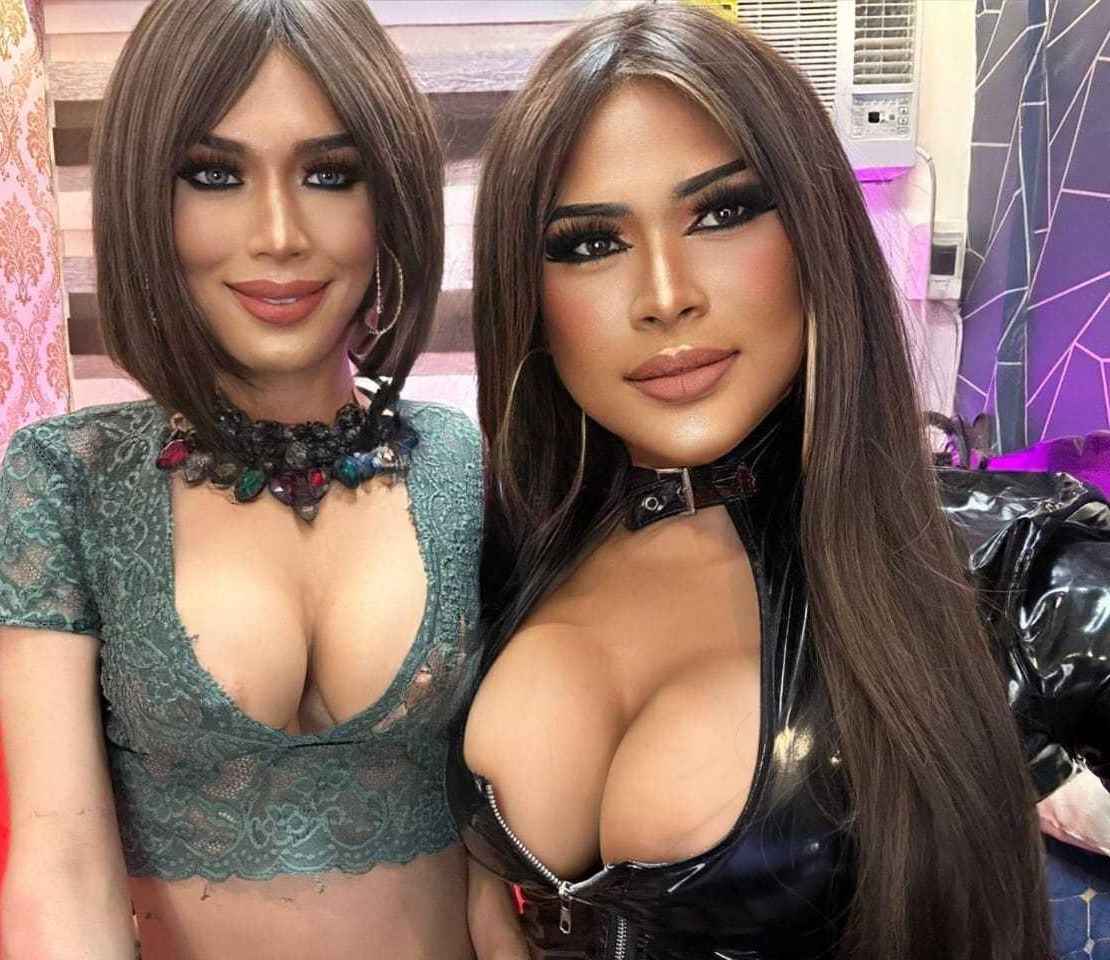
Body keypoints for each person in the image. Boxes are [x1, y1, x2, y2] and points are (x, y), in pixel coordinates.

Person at [451, 6, 1110, 960]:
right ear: (531, 296)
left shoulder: (1010, 569)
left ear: (815, 237)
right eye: (590, 242)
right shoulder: (504, 554)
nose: (666, 295)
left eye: (722, 213)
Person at [0, 2, 482, 958]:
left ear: (391, 197)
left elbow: (495, 822)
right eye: (215, 174)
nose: (278, 234)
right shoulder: (69, 478)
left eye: (330, 174)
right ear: (146, 198)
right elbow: (59, 858)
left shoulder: (461, 462)